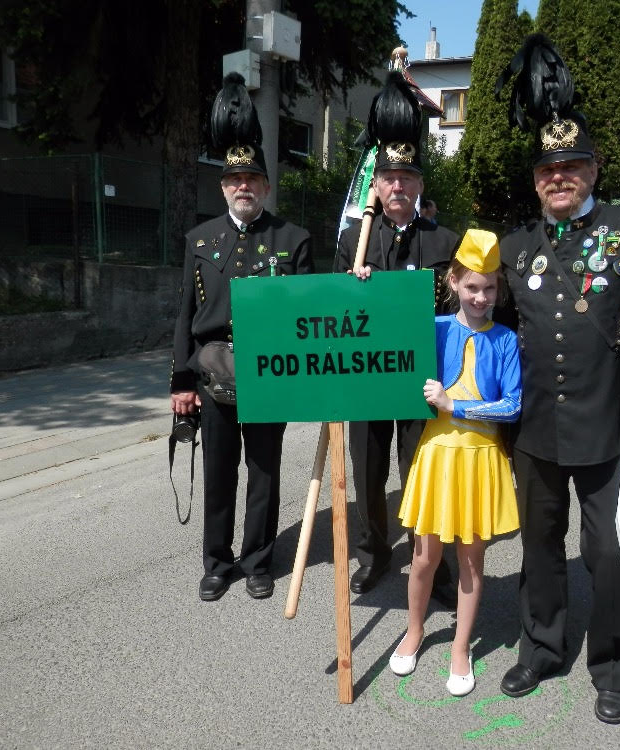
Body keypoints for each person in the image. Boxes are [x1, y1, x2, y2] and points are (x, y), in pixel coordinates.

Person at [493, 35, 620, 725]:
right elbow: (493, 327)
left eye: (571, 166)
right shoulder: (514, 247)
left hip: (611, 423)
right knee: (539, 547)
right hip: (536, 428)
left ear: (593, 169)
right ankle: (542, 647)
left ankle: (615, 665)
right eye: (549, 169)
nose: (560, 177)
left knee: (609, 551)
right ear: (536, 179)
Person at [170, 74, 314, 602]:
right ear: (223, 186)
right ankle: (216, 561)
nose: (243, 186)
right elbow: (185, 314)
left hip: (269, 375)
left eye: (252, 178)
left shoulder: (293, 239)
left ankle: (257, 561)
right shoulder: (200, 239)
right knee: (218, 471)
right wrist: (181, 382)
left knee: (264, 472)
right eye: (234, 179)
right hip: (212, 375)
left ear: (266, 186)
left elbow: (306, 318)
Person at [334, 71, 460, 603]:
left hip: (421, 382)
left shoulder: (445, 241)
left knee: (421, 473)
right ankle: (374, 554)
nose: (398, 187)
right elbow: (334, 315)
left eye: (407, 177)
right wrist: (352, 288)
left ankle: (433, 565)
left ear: (419, 184)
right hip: (368, 381)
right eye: (389, 177)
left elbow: (460, 312)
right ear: (376, 184)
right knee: (367, 473)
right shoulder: (353, 242)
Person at [389, 229, 521, 697]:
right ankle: (414, 629)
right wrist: (362, 280)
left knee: (471, 558)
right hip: (436, 456)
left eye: (489, 288)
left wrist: (455, 405)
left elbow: (512, 405)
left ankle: (460, 646)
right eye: (472, 287)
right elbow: (386, 328)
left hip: (482, 459)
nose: (481, 297)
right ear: (453, 282)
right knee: (423, 556)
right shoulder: (433, 328)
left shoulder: (506, 339)